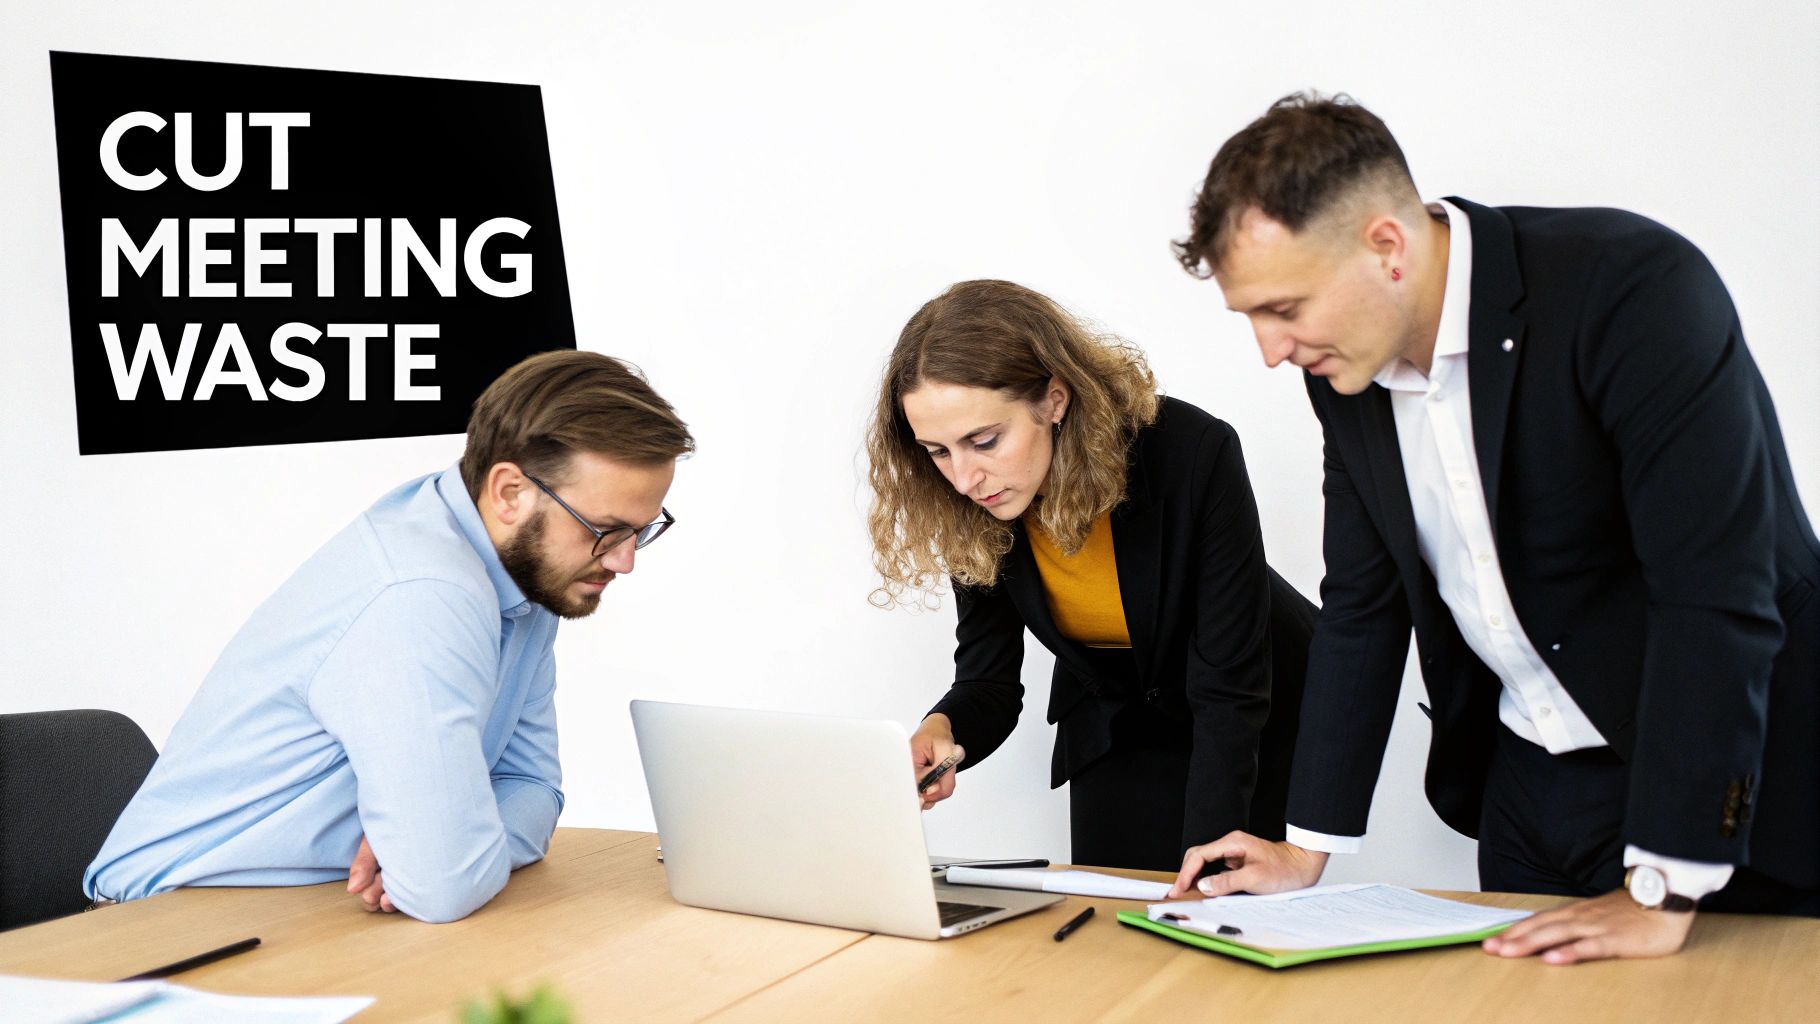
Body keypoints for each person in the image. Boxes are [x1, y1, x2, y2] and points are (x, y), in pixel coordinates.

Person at [1166, 92, 1819, 963]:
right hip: (1525, 794)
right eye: (1251, 317)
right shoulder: (1344, 374)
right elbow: (1362, 604)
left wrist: (1663, 884)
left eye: (1284, 308)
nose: (1270, 351)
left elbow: (1713, 594)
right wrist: (1305, 847)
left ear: (1386, 247)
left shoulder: (1632, 289)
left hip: (1722, 789)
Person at [85, 350, 693, 923]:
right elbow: (442, 886)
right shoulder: (421, 591)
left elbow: (531, 789)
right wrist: (437, 855)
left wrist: (448, 847)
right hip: (169, 920)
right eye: (606, 530)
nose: (623, 563)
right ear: (511, 493)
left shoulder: (527, 583)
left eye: (642, 531)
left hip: (317, 906)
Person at [866, 279, 1315, 872]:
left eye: (983, 440)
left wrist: (1210, 855)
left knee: (1220, 910)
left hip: (1255, 706)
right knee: (1110, 926)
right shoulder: (974, 504)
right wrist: (943, 727)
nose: (963, 478)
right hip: (1114, 712)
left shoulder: (1192, 452)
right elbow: (989, 679)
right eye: (938, 451)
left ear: (1055, 398)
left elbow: (1229, 689)